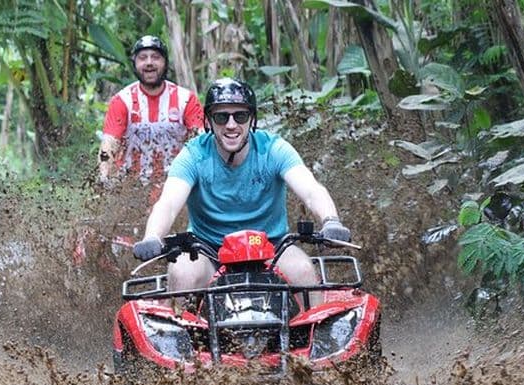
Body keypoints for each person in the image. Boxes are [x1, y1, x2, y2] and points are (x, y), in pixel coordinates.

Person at [131, 77, 351, 294]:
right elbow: (168, 204)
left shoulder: (273, 149)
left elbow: (311, 190)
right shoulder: (194, 155)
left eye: (240, 115)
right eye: (221, 117)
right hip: (208, 250)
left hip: (271, 248)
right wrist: (153, 236)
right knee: (182, 273)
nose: (231, 125)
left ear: (251, 119)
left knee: (303, 271)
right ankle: (181, 329)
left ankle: (313, 329)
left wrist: (330, 220)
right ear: (208, 120)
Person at [98, 35, 204, 205]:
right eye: (142, 58)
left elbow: (201, 142)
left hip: (175, 184)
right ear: (135, 64)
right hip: (131, 185)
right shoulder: (122, 100)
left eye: (155, 57)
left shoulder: (186, 99)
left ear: (165, 63)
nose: (149, 63)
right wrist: (104, 177)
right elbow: (109, 143)